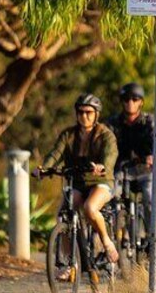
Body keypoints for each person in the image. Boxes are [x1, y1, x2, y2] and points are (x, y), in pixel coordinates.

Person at [34, 93, 119, 272]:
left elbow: (110, 155)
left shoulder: (106, 135)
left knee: (90, 208)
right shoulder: (68, 134)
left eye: (88, 112)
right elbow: (55, 153)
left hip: (101, 181)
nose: (84, 116)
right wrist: (44, 168)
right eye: (80, 112)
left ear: (96, 114)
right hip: (78, 182)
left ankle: (106, 241)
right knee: (63, 214)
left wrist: (102, 166)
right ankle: (69, 264)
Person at [105, 82, 154, 232]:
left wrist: (152, 156)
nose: (130, 103)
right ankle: (116, 236)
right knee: (110, 196)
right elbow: (105, 144)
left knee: (149, 198)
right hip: (122, 170)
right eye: (126, 99)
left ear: (141, 102)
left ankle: (153, 234)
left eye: (135, 99)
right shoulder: (112, 123)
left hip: (146, 170)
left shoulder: (150, 121)